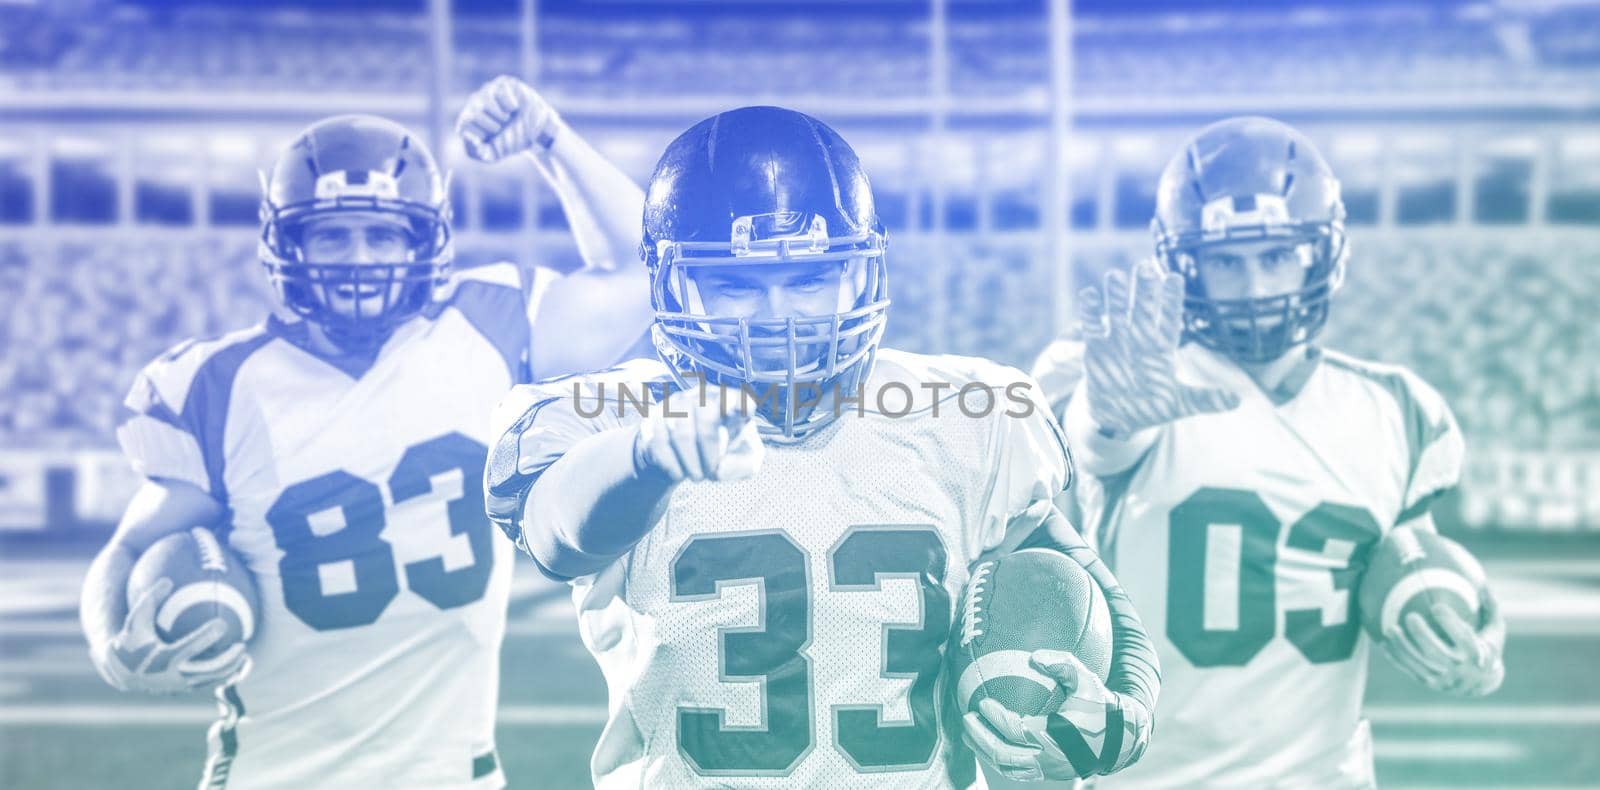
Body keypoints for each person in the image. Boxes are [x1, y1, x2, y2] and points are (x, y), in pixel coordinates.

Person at [483, 105, 1159, 788]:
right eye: (735, 286)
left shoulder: (969, 415)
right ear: (669, 283)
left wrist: (1123, 709)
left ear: (862, 272)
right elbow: (556, 533)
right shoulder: (612, 419)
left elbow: (1076, 578)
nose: (777, 315)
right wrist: (648, 457)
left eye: (809, 279)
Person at [78, 77, 651, 789]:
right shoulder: (217, 384)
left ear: (425, 239)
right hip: (273, 774)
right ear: (286, 242)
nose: (358, 257)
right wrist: (110, 637)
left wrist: (550, 140)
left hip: (449, 775)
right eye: (331, 233)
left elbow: (644, 267)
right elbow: (129, 546)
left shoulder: (491, 325)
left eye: (383, 232)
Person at [1049, 116, 1505, 787]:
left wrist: (1467, 631)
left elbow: (1410, 560)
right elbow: (1100, 438)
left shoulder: (1397, 410)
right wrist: (1110, 414)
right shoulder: (1129, 376)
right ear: (1185, 265)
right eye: (1227, 262)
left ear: (1321, 255)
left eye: (1276, 257)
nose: (1255, 288)